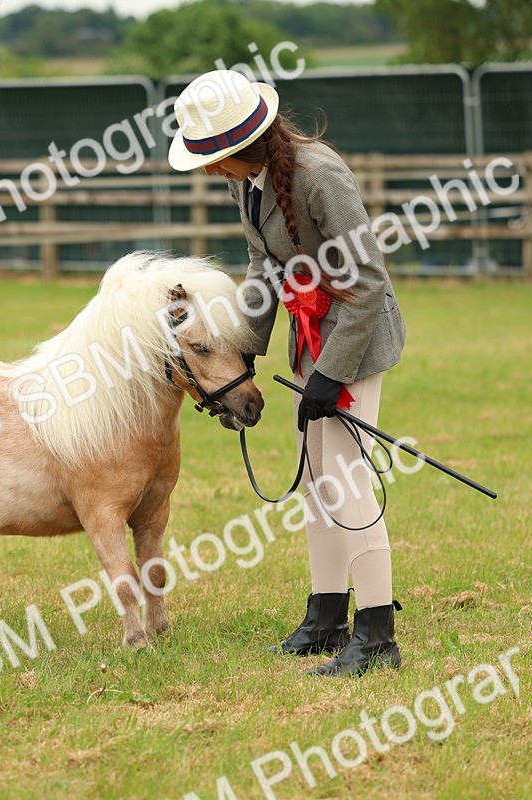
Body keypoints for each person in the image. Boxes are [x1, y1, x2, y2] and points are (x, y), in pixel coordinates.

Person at [167, 70, 407, 677]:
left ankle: (377, 632)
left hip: (355, 338)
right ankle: (325, 617)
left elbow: (369, 280)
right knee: (315, 483)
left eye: (212, 157)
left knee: (347, 483)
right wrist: (239, 349)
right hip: (309, 340)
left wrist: (332, 375)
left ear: (241, 144)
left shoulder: (319, 174)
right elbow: (263, 273)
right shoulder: (247, 182)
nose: (207, 170)